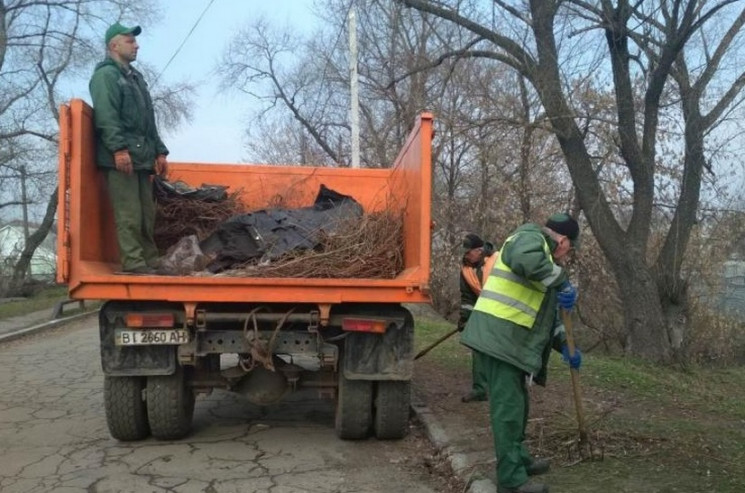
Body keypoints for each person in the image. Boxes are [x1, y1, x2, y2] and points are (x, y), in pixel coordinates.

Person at [460, 213, 583, 493]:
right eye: (570, 248)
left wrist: (566, 346)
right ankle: (511, 480)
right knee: (508, 410)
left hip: (510, 343)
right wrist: (562, 281)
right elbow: (524, 260)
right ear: (562, 241)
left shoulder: (546, 264)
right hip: (499, 340)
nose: (568, 254)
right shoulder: (530, 238)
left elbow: (548, 319)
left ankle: (519, 459)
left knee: (519, 406)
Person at [89, 22, 169, 274]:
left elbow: (148, 120)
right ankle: (134, 262)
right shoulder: (106, 76)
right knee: (129, 213)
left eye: (135, 41)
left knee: (147, 213)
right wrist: (119, 150)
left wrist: (160, 150)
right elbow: (106, 116)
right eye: (130, 40)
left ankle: (150, 259)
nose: (136, 45)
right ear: (113, 45)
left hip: (142, 156)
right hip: (122, 157)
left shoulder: (135, 78)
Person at [457, 233, 497, 403]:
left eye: (468, 252)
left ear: (479, 251)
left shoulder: (498, 260)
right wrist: (465, 319)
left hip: (505, 313)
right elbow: (467, 299)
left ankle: (500, 388)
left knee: (500, 351)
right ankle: (480, 389)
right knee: (478, 347)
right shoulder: (466, 270)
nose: (465, 256)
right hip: (483, 313)